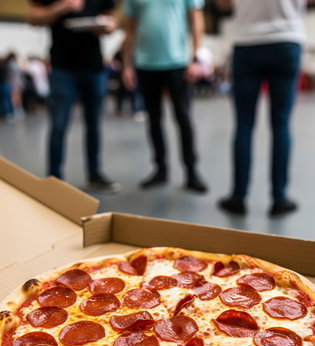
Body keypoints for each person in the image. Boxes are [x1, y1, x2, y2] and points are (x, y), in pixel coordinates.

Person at [216, 0, 307, 216]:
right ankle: (279, 198)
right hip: (286, 38)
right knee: (281, 123)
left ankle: (238, 197)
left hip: (248, 41)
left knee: (244, 124)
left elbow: (222, 4)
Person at [27, 0, 121, 192]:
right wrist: (59, 7)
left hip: (93, 67)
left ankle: (94, 174)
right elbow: (34, 18)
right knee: (58, 125)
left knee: (94, 125)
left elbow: (111, 19)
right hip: (62, 67)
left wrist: (108, 27)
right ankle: (54, 179)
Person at [122, 0, 207, 193]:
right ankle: (160, 169)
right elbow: (129, 29)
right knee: (153, 119)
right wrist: (127, 64)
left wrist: (195, 57)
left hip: (178, 63)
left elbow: (196, 18)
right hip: (146, 64)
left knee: (183, 118)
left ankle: (191, 171)